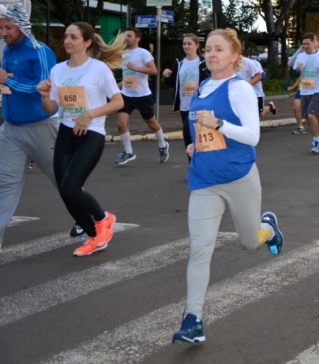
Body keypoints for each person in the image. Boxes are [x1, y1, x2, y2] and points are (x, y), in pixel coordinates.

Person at [173, 28, 283, 344]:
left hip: (238, 177)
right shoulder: (203, 86)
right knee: (199, 248)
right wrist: (196, 145)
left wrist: (219, 124)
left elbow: (253, 136)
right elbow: (200, 130)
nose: (211, 54)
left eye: (218, 49)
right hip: (205, 180)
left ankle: (268, 228)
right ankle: (193, 319)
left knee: (250, 241)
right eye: (208, 49)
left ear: (234, 56)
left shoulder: (239, 89)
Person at [37, 22, 125, 256]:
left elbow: (118, 102)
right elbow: (51, 108)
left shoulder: (98, 69)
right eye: (66, 36)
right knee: (65, 191)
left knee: (72, 186)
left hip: (91, 133)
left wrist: (89, 114)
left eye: (73, 37)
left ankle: (103, 218)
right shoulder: (57, 70)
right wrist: (45, 97)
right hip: (66, 132)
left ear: (86, 42)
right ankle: (95, 237)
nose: (67, 40)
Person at [0, 3, 61, 249]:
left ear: (22, 26)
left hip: (41, 127)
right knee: (5, 184)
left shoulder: (40, 51)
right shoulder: (8, 50)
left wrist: (8, 82)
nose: (4, 32)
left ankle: (91, 220)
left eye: (8, 27)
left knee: (64, 180)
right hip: (11, 128)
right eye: (1, 28)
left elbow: (42, 89)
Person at [116, 27, 169, 165]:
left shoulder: (143, 53)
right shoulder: (123, 53)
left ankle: (163, 145)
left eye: (129, 36)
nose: (126, 38)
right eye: (125, 36)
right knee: (120, 123)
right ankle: (129, 152)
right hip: (126, 94)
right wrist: (123, 82)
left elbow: (154, 70)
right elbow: (128, 73)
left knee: (152, 123)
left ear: (137, 38)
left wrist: (136, 68)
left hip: (142, 95)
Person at [163, 34, 210, 151]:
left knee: (194, 134)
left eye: (189, 44)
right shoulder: (179, 62)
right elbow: (171, 83)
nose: (186, 46)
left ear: (197, 45)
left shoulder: (203, 62)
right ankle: (192, 164)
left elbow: (209, 83)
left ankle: (197, 163)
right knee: (189, 138)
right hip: (184, 105)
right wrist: (166, 76)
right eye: (184, 44)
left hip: (198, 105)